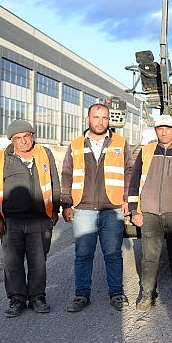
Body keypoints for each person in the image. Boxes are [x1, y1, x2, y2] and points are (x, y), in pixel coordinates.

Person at [61, 103, 133, 312]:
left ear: (108, 120)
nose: (100, 121)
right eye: (96, 117)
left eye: (104, 118)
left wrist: (127, 199)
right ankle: (82, 295)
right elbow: (66, 175)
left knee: (112, 254)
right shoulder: (75, 145)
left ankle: (116, 294)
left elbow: (129, 171)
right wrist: (66, 204)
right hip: (83, 208)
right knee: (83, 254)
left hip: (112, 208)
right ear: (88, 119)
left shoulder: (120, 142)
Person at [0, 119, 61, 317]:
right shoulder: (0, 159)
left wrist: (56, 209)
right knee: (12, 262)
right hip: (11, 221)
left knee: (38, 261)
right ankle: (17, 298)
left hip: (40, 219)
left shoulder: (44, 154)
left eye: (27, 136)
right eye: (18, 138)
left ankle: (37, 297)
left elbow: (54, 181)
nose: (24, 141)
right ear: (12, 140)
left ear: (32, 136)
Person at [128, 114, 172, 313]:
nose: (164, 131)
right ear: (156, 130)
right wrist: (135, 211)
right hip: (150, 213)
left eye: (167, 128)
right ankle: (147, 294)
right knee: (150, 257)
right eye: (160, 128)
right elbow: (134, 183)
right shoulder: (146, 151)